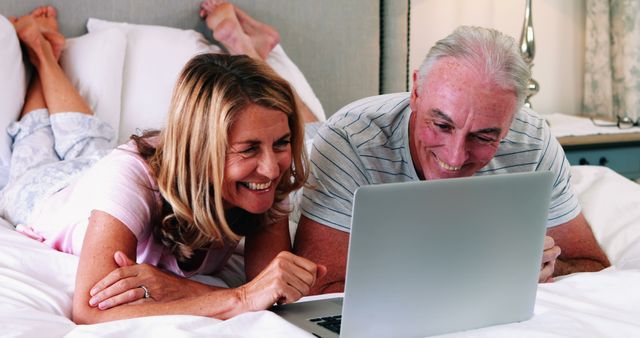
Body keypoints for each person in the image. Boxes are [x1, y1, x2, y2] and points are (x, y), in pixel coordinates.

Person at [1, 6, 324, 324]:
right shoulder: (131, 177)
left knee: (89, 139)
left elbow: (268, 285)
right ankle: (40, 53)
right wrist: (238, 298)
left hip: (105, 171)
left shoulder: (266, 176)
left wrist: (183, 288)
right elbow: (89, 311)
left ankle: (44, 53)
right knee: (37, 136)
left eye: (281, 143)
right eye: (249, 149)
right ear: (200, 148)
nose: (270, 167)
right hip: (47, 191)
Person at [294, 26, 611, 294]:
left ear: (511, 121)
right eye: (441, 125)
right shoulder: (348, 140)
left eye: (484, 136)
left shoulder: (533, 140)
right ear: (416, 91)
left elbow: (593, 266)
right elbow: (317, 288)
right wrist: (471, 273)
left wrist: (547, 267)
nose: (456, 156)